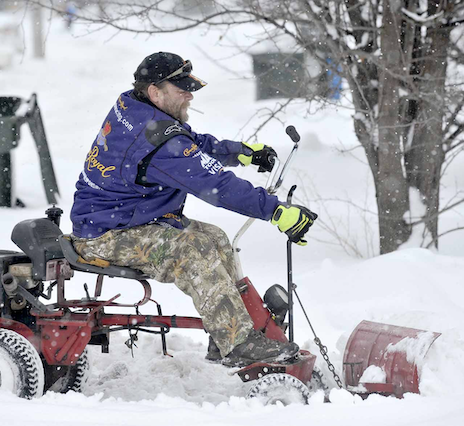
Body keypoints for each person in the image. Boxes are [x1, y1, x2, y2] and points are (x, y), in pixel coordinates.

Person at [70, 52, 317, 366]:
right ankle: (239, 342)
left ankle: (228, 331)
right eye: (181, 88)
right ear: (155, 92)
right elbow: (216, 185)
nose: (190, 94)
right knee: (193, 250)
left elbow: (186, 143)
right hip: (104, 234)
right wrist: (277, 212)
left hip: (127, 218)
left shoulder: (135, 107)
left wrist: (240, 152)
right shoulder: (155, 139)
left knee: (215, 239)